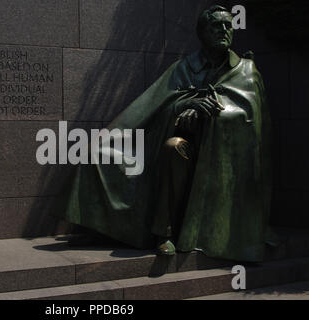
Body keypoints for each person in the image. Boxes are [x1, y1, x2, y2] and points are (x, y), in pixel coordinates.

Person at [56, 5, 274, 262]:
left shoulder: (246, 70)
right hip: (172, 145)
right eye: (217, 26)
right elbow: (155, 108)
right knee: (99, 153)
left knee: (174, 147)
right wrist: (184, 106)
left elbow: (251, 121)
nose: (224, 31)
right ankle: (109, 227)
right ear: (202, 33)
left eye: (228, 26)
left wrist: (211, 113)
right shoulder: (184, 68)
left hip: (219, 159)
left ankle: (165, 233)